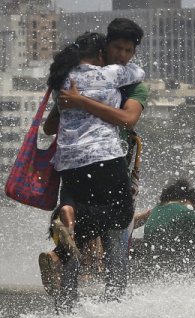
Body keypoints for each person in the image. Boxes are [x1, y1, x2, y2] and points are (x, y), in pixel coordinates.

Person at [39, 19, 147, 301]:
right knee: (116, 223)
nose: (122, 55)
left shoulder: (133, 87)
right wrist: (69, 102)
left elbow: (128, 118)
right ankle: (70, 303)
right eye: (117, 48)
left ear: (134, 52)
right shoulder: (110, 76)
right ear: (104, 47)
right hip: (105, 159)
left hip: (72, 159)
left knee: (80, 232)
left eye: (128, 50)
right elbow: (52, 124)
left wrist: (79, 100)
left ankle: (63, 262)